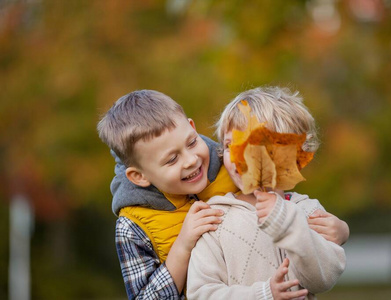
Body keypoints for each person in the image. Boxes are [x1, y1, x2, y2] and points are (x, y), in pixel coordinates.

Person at [97, 89, 349, 300]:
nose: (191, 160)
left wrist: (340, 231)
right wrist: (184, 244)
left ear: (193, 128)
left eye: (192, 142)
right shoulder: (133, 224)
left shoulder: (227, 166)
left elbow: (273, 179)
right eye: (172, 159)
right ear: (139, 176)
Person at [187, 86, 347, 300]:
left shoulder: (307, 211)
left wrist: (288, 221)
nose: (236, 156)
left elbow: (323, 278)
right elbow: (201, 294)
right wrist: (263, 294)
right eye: (228, 146)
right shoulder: (214, 218)